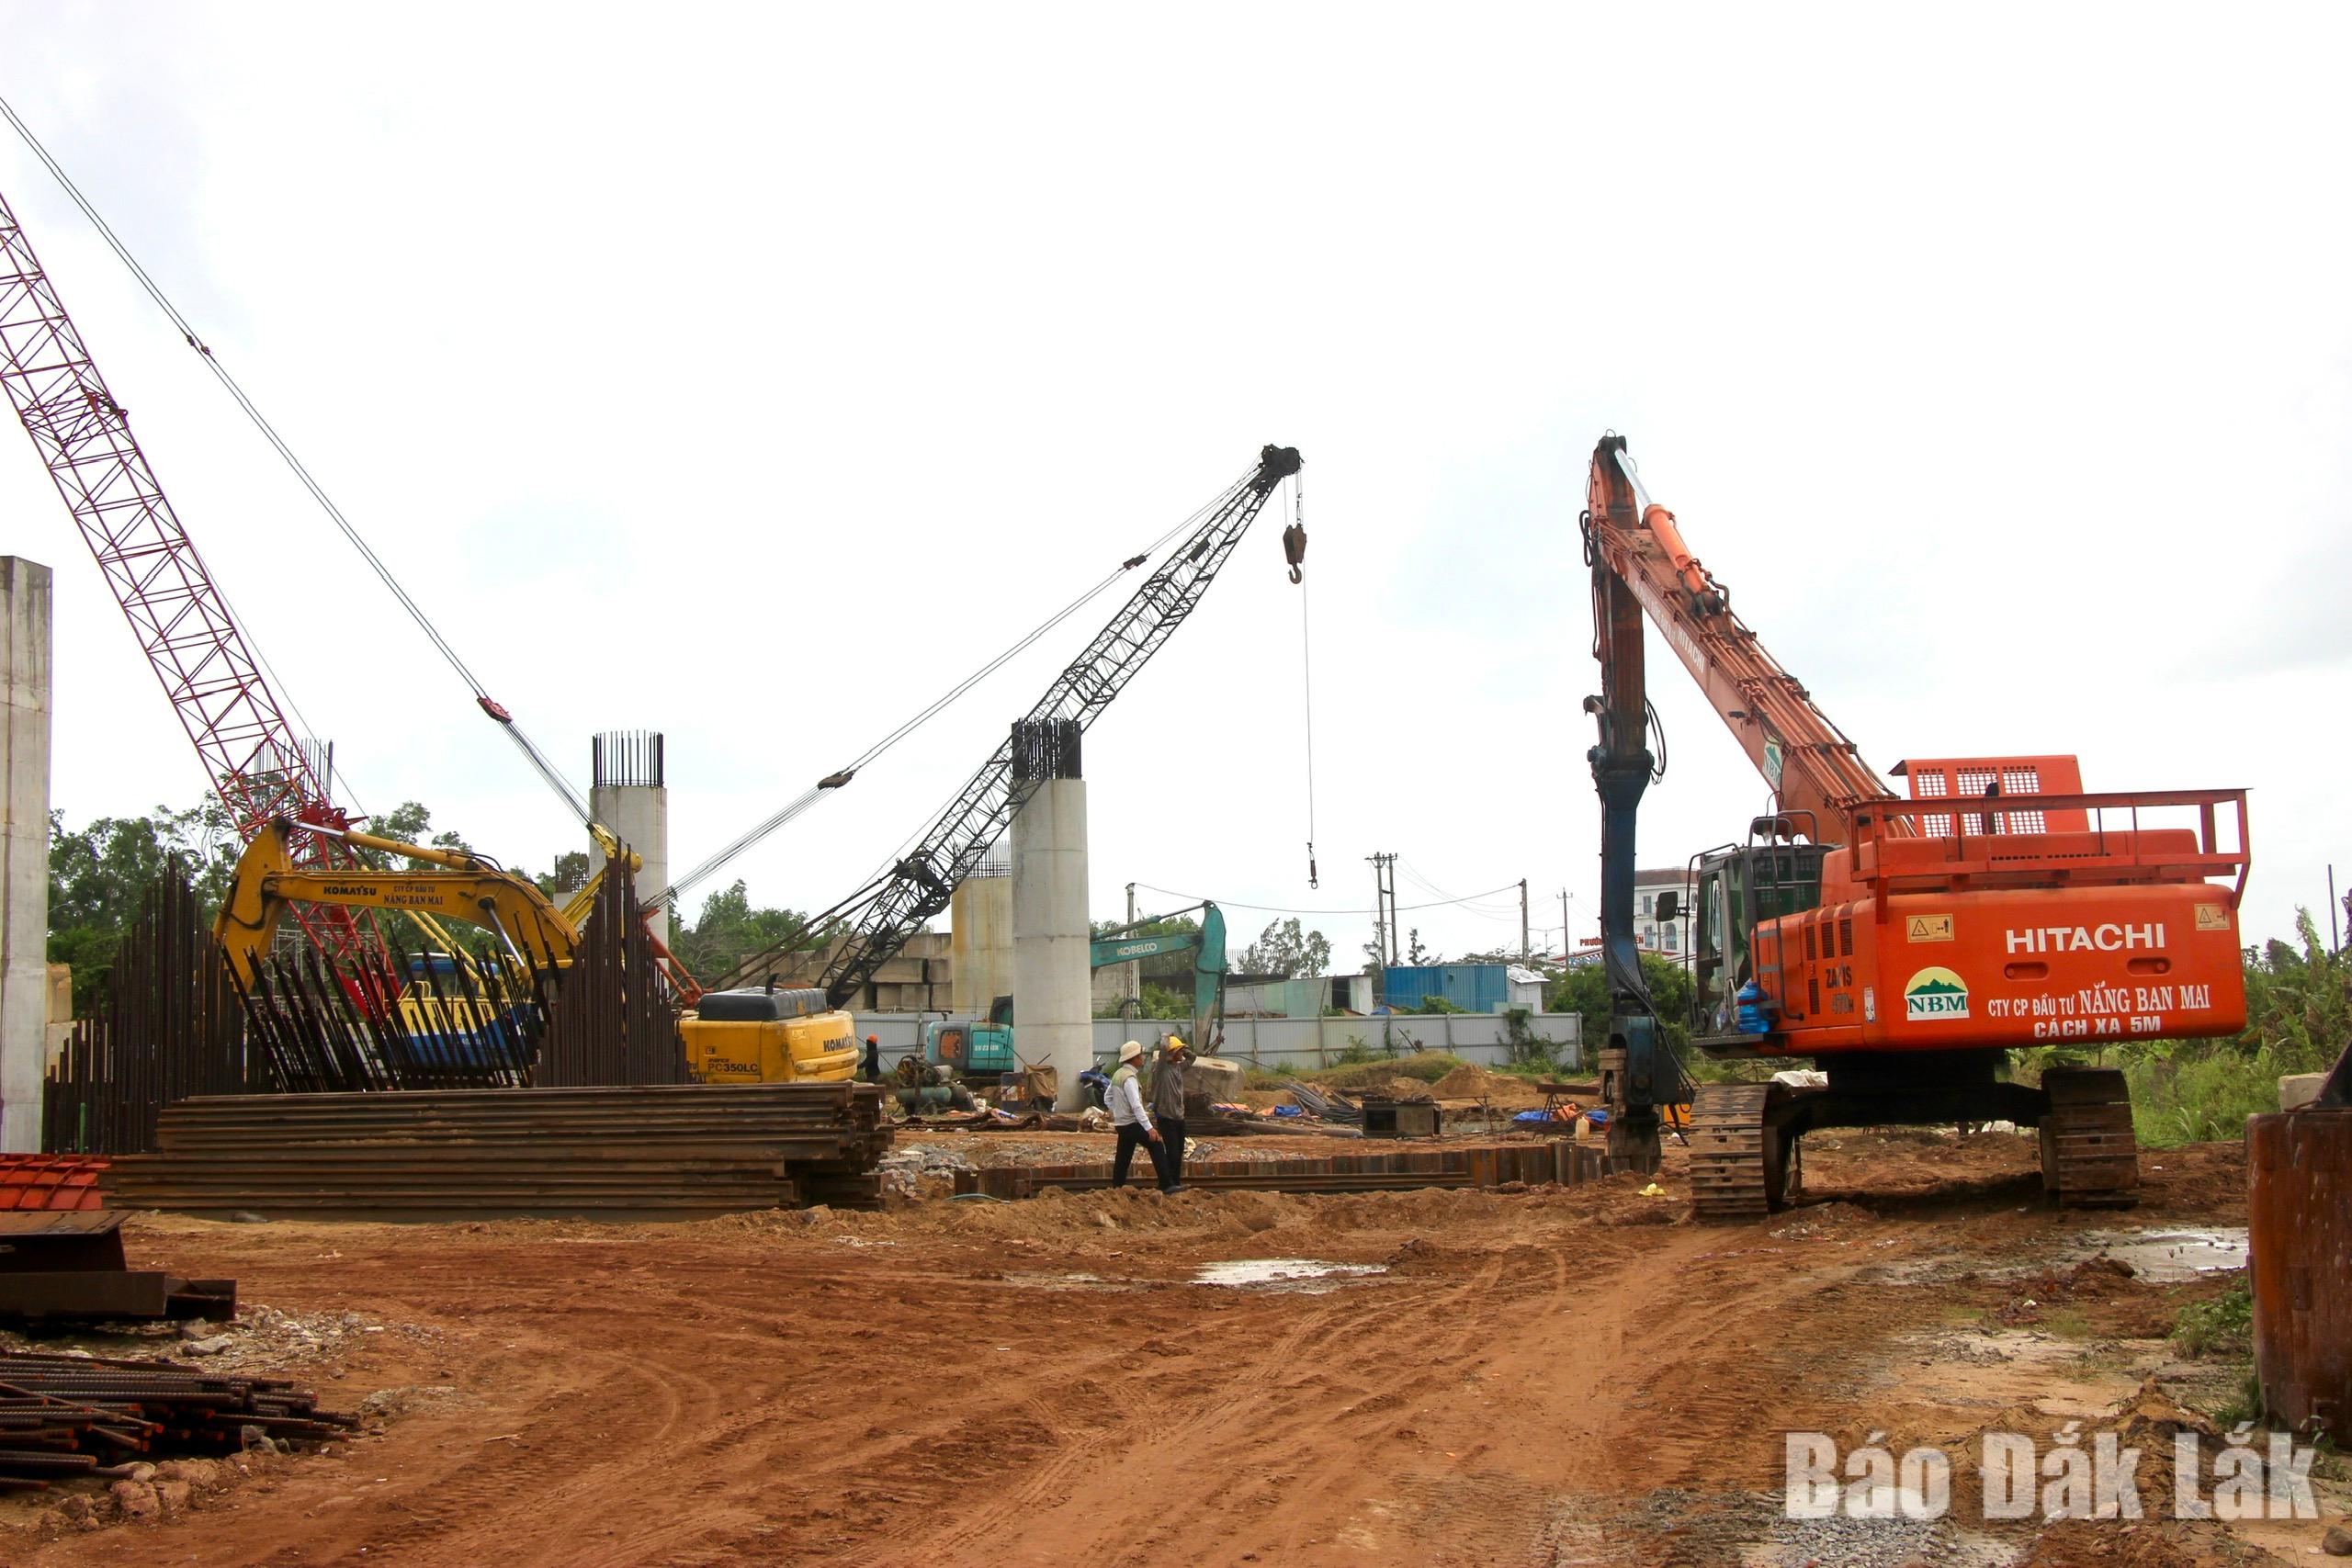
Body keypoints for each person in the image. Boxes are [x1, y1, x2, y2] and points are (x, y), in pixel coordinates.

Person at [1104, 1040, 1164, 1189]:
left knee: (1123, 1157)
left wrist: (1118, 1112)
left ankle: (1117, 1187)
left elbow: (1107, 1098)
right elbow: (1136, 1105)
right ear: (1135, 1058)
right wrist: (1149, 1128)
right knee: (1156, 1145)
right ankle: (1166, 1184)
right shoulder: (1129, 1078)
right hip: (1131, 1123)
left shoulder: (1118, 1074)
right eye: (1141, 1055)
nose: (1143, 1057)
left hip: (1121, 1124)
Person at [1149, 1034, 1193, 1193]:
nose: (1182, 1053)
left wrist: (1183, 1049)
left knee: (1179, 1152)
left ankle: (1175, 1183)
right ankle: (1166, 1184)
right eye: (1179, 1051)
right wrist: (1166, 1038)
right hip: (1166, 1117)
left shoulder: (1178, 1068)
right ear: (1172, 1052)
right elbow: (1162, 1050)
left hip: (1179, 1117)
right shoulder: (1162, 1068)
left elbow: (1192, 1058)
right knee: (1172, 1152)